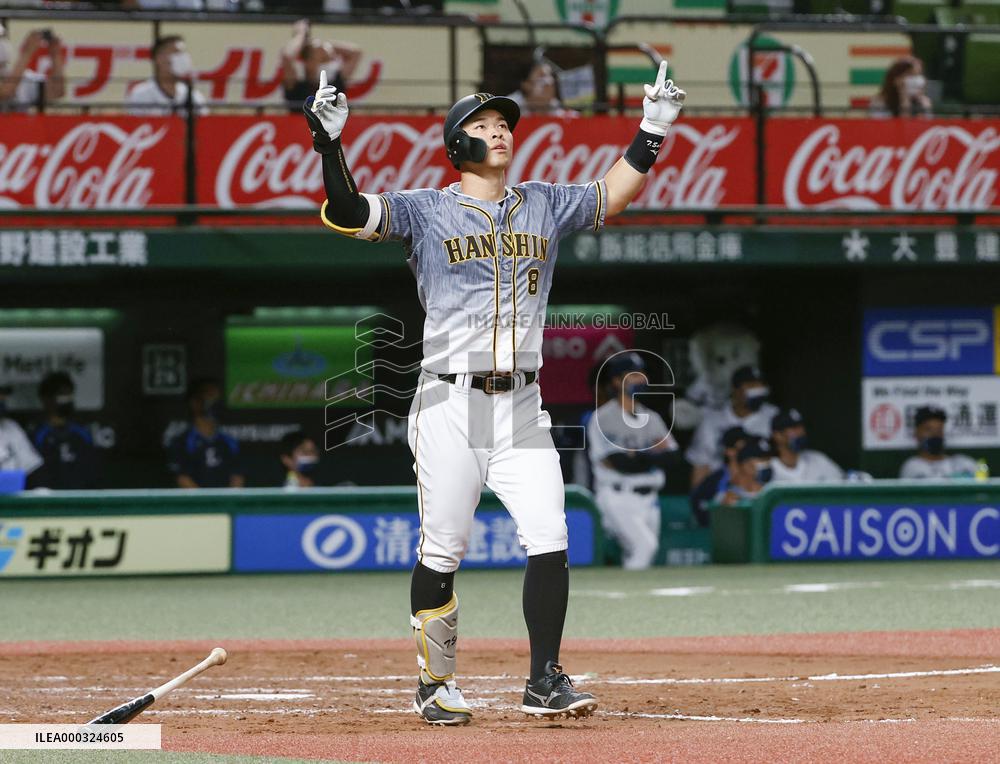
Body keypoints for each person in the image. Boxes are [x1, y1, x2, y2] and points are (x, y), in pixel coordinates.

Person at [303, 61, 685, 724]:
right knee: (443, 549)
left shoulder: (542, 201)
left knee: (550, 535)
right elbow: (347, 211)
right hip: (449, 402)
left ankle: (544, 680)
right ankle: (435, 682)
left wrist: (652, 127)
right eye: (482, 125)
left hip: (521, 406)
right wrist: (330, 146)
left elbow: (610, 196)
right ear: (458, 146)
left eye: (504, 123)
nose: (499, 132)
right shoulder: (425, 209)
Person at [587, 353, 678, 570]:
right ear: (617, 381)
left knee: (642, 555)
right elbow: (619, 463)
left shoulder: (652, 418)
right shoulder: (602, 418)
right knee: (645, 547)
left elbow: (673, 458)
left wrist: (636, 454)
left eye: (642, 374)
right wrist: (652, 453)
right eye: (633, 375)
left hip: (650, 499)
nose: (641, 379)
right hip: (618, 495)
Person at [686, 364, 779, 489]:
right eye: (751, 385)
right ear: (735, 390)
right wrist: (697, 500)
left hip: (763, 486)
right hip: (722, 487)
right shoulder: (712, 420)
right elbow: (701, 464)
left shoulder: (773, 416)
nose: (758, 390)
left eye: (760, 385)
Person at [166, 378, 244, 489]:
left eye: (216, 398)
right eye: (208, 397)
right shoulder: (181, 441)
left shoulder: (228, 441)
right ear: (195, 402)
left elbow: (237, 476)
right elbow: (182, 478)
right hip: (196, 504)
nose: (213, 402)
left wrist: (227, 503)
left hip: (226, 503)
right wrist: (207, 503)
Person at [30, 372, 99, 490]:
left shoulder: (82, 433)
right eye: (61, 395)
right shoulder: (37, 435)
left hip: (80, 501)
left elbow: (92, 474)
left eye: (69, 395)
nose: (66, 400)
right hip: (47, 503)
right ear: (46, 399)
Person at [281, 19, 361, 113]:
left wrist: (326, 45)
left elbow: (355, 53)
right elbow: (287, 56)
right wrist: (301, 34)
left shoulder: (335, 83)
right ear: (307, 62)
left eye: (325, 60)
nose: (323, 65)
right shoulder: (297, 83)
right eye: (318, 59)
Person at [126, 35, 207, 116]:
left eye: (183, 53)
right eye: (176, 53)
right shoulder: (140, 95)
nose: (182, 58)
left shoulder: (194, 96)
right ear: (159, 58)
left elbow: (205, 125)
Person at [689, 425, 747, 527]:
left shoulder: (758, 475)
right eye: (741, 448)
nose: (747, 452)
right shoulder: (712, 482)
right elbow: (701, 513)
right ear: (729, 451)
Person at [899, 406, 978, 479]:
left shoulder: (964, 462)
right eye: (928, 429)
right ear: (916, 434)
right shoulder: (913, 466)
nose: (935, 434)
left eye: (939, 429)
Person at [0, 25, 66, 110]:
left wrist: (56, 55)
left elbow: (57, 92)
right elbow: (5, 93)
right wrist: (27, 52)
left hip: (21, 123)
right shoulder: (17, 73)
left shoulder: (22, 76)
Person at [769, 408, 843, 484]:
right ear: (777, 435)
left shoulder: (818, 459)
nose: (801, 432)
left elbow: (842, 485)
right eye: (794, 428)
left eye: (802, 427)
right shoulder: (767, 465)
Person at [0, 384, 43, 487]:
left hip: (9, 499)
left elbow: (32, 470)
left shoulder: (11, 428)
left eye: (3, 395)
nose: (2, 399)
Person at [714, 437, 773, 506]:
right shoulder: (727, 496)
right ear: (746, 465)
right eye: (762, 459)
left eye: (768, 459)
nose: (767, 463)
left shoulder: (772, 493)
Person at [506, 59, 573, 117]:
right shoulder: (507, 108)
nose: (549, 81)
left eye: (550, 76)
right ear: (526, 84)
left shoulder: (563, 111)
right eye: (542, 76)